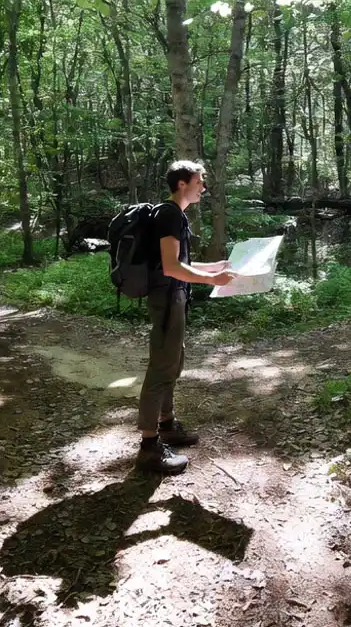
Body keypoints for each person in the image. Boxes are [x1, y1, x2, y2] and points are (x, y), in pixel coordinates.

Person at [137, 160, 236, 474]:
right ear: (182, 184)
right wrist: (212, 280)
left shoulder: (174, 215)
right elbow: (171, 267)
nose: (203, 188)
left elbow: (179, 263)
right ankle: (149, 447)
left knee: (172, 363)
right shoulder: (169, 214)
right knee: (161, 368)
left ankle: (166, 425)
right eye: (199, 182)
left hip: (173, 298)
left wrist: (215, 267)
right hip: (167, 299)